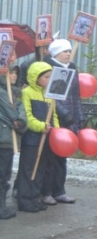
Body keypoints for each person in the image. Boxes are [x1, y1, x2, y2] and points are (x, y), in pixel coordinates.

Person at [15, 62, 60, 212]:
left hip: (46, 138)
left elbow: (53, 115)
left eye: (50, 77)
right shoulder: (27, 92)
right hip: (32, 139)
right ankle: (25, 200)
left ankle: (35, 198)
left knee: (40, 169)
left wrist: (57, 132)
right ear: (36, 77)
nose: (49, 79)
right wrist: (41, 126)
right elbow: (27, 116)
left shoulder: (49, 94)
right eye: (46, 77)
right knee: (29, 169)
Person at [43, 39, 82, 205]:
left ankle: (60, 190)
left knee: (62, 157)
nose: (68, 53)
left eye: (69, 51)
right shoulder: (48, 68)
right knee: (49, 158)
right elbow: (51, 95)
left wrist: (79, 116)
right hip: (55, 118)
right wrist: (64, 114)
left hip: (70, 120)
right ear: (56, 53)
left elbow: (76, 95)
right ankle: (46, 192)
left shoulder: (72, 69)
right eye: (64, 51)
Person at [0, 65, 27, 219]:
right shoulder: (2, 93)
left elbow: (22, 120)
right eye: (11, 72)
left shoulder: (15, 94)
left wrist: (20, 123)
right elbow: (13, 116)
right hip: (2, 138)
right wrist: (18, 120)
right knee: (2, 174)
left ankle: (2, 204)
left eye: (16, 73)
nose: (14, 76)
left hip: (8, 139)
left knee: (5, 173)